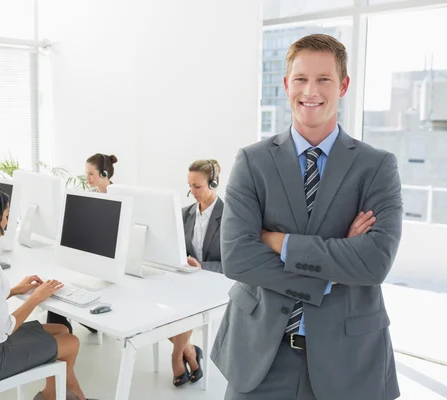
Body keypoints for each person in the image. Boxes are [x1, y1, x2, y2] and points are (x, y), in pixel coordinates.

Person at [211, 34, 403, 400]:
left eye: (323, 79)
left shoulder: (376, 166)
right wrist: (338, 258)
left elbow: (374, 263)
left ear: (343, 85)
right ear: (286, 84)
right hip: (259, 356)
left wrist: (277, 241)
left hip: (348, 359)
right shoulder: (252, 162)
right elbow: (237, 258)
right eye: (300, 79)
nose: (310, 90)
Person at [0, 184, 95, 400]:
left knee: (61, 328)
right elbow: (5, 328)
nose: (8, 221)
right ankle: (71, 396)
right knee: (71, 343)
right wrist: (36, 298)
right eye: (7, 215)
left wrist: (15, 290)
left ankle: (55, 395)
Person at [46, 153, 118, 333]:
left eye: (91, 174)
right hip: (90, 256)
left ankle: (63, 339)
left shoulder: (121, 198)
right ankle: (63, 332)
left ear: (103, 174)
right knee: (58, 293)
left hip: (110, 260)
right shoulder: (89, 197)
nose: (87, 179)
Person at [169, 159, 225, 387]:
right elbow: (177, 249)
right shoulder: (184, 214)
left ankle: (176, 357)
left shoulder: (230, 216)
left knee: (183, 306)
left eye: (197, 186)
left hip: (217, 280)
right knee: (159, 306)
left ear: (213, 183)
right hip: (190, 280)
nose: (192, 192)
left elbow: (234, 263)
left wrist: (203, 267)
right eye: (189, 186)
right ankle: (190, 350)